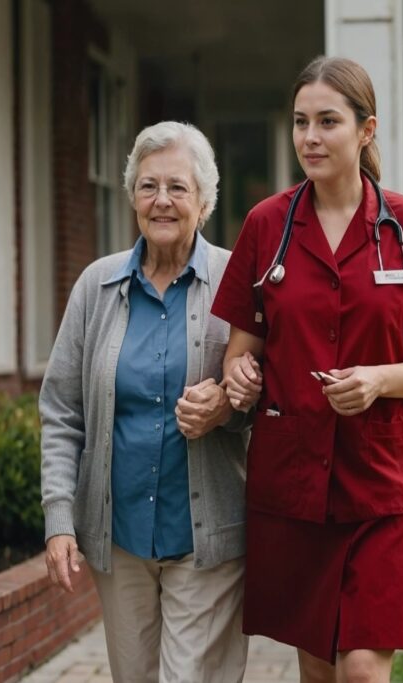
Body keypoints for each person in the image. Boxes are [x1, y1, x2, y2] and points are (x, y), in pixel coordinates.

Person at [211, 57, 403, 683]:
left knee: (360, 668)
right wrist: (239, 375)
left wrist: (379, 379)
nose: (310, 138)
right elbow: (240, 349)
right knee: (318, 668)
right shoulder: (266, 226)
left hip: (380, 483)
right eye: (301, 122)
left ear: (366, 129)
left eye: (328, 121)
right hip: (294, 481)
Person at [40, 121, 251, 683]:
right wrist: (59, 519)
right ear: (132, 196)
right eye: (148, 186)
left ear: (204, 201)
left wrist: (230, 405)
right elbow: (62, 411)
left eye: (178, 187)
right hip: (121, 536)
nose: (162, 201)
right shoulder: (96, 285)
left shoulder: (238, 280)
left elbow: (273, 388)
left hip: (204, 538)